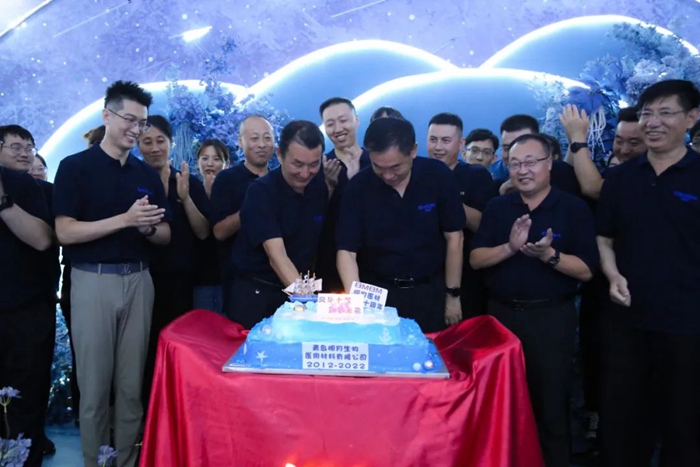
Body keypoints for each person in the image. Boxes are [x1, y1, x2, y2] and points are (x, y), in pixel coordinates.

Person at [53, 80, 171, 467]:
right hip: (92, 280)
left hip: (139, 280)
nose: (136, 129)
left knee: (131, 385)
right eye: (129, 119)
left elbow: (165, 235)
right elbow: (64, 231)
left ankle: (126, 461)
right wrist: (125, 220)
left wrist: (147, 228)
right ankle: (95, 461)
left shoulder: (146, 174)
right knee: (94, 387)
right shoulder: (75, 167)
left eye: (142, 122)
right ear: (107, 116)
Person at [470, 133, 598, 467]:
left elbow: (587, 270)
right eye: (514, 164)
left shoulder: (573, 208)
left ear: (550, 163)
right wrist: (510, 248)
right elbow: (476, 260)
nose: (522, 170)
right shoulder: (498, 207)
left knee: (550, 405)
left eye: (530, 162)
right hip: (501, 318)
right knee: (501, 404)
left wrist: (549, 255)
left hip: (551, 320)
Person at [596, 79, 700, 467]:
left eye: (665, 113)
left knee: (683, 423)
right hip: (627, 319)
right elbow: (604, 237)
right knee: (623, 422)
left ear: (692, 117)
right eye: (646, 113)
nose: (652, 122)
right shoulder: (621, 178)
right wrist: (612, 274)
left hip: (687, 323)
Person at [336, 117, 465, 333]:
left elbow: (455, 238)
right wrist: (356, 303)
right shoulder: (358, 188)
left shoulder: (438, 176)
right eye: (378, 167)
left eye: (396, 167)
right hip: (378, 293)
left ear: (413, 150)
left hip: (429, 291)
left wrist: (453, 295)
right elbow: (346, 251)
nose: (387, 175)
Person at [225, 120, 329, 328]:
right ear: (280, 154)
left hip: (298, 291)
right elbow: (277, 257)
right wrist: (309, 304)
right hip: (258, 295)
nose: (305, 173)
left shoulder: (318, 187)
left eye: (313, 164)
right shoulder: (261, 192)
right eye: (297, 164)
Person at [138, 115, 210, 404]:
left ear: (171, 143)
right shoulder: (133, 181)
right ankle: (147, 412)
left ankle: (178, 407)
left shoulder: (187, 182)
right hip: (141, 277)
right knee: (144, 350)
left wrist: (184, 197)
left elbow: (203, 232)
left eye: (160, 140)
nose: (155, 148)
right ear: (137, 145)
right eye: (147, 142)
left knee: (179, 347)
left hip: (182, 280)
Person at [0, 128, 54, 467]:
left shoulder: (37, 188)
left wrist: (3, 201)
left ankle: (24, 457)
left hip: (30, 306)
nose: (24, 153)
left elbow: (43, 240)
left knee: (28, 393)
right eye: (15, 147)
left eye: (29, 147)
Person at [426, 113, 495, 318]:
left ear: (461, 143)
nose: (438, 147)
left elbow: (484, 225)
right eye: (433, 140)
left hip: (467, 277)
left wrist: (450, 200)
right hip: (425, 277)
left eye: (446, 140)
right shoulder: (417, 173)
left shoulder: (476, 176)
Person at [210, 116, 276, 317]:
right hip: (242, 283)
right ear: (241, 141)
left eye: (267, 138)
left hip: (279, 279)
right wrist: (249, 209)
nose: (262, 144)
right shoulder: (227, 179)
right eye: (255, 138)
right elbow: (219, 232)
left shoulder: (280, 180)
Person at [317, 97, 371, 291]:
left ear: (356, 120)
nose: (338, 129)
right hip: (331, 264)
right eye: (330, 124)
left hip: (376, 263)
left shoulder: (376, 162)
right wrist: (328, 187)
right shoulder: (321, 166)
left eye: (343, 120)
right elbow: (312, 219)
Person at [561, 105, 646, 200]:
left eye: (634, 143)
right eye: (619, 141)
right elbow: (566, 179)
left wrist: (578, 137)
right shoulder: (613, 173)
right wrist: (573, 139)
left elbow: (594, 189)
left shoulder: (648, 174)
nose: (624, 150)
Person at [496, 114, 581, 197]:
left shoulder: (561, 175)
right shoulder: (498, 181)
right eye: (506, 148)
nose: (513, 154)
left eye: (522, 146)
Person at [193, 139, 230, 314]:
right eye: (205, 158)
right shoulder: (190, 191)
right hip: (200, 277)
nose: (210, 164)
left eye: (216, 159)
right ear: (197, 162)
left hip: (228, 276)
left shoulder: (233, 193)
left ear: (226, 164)